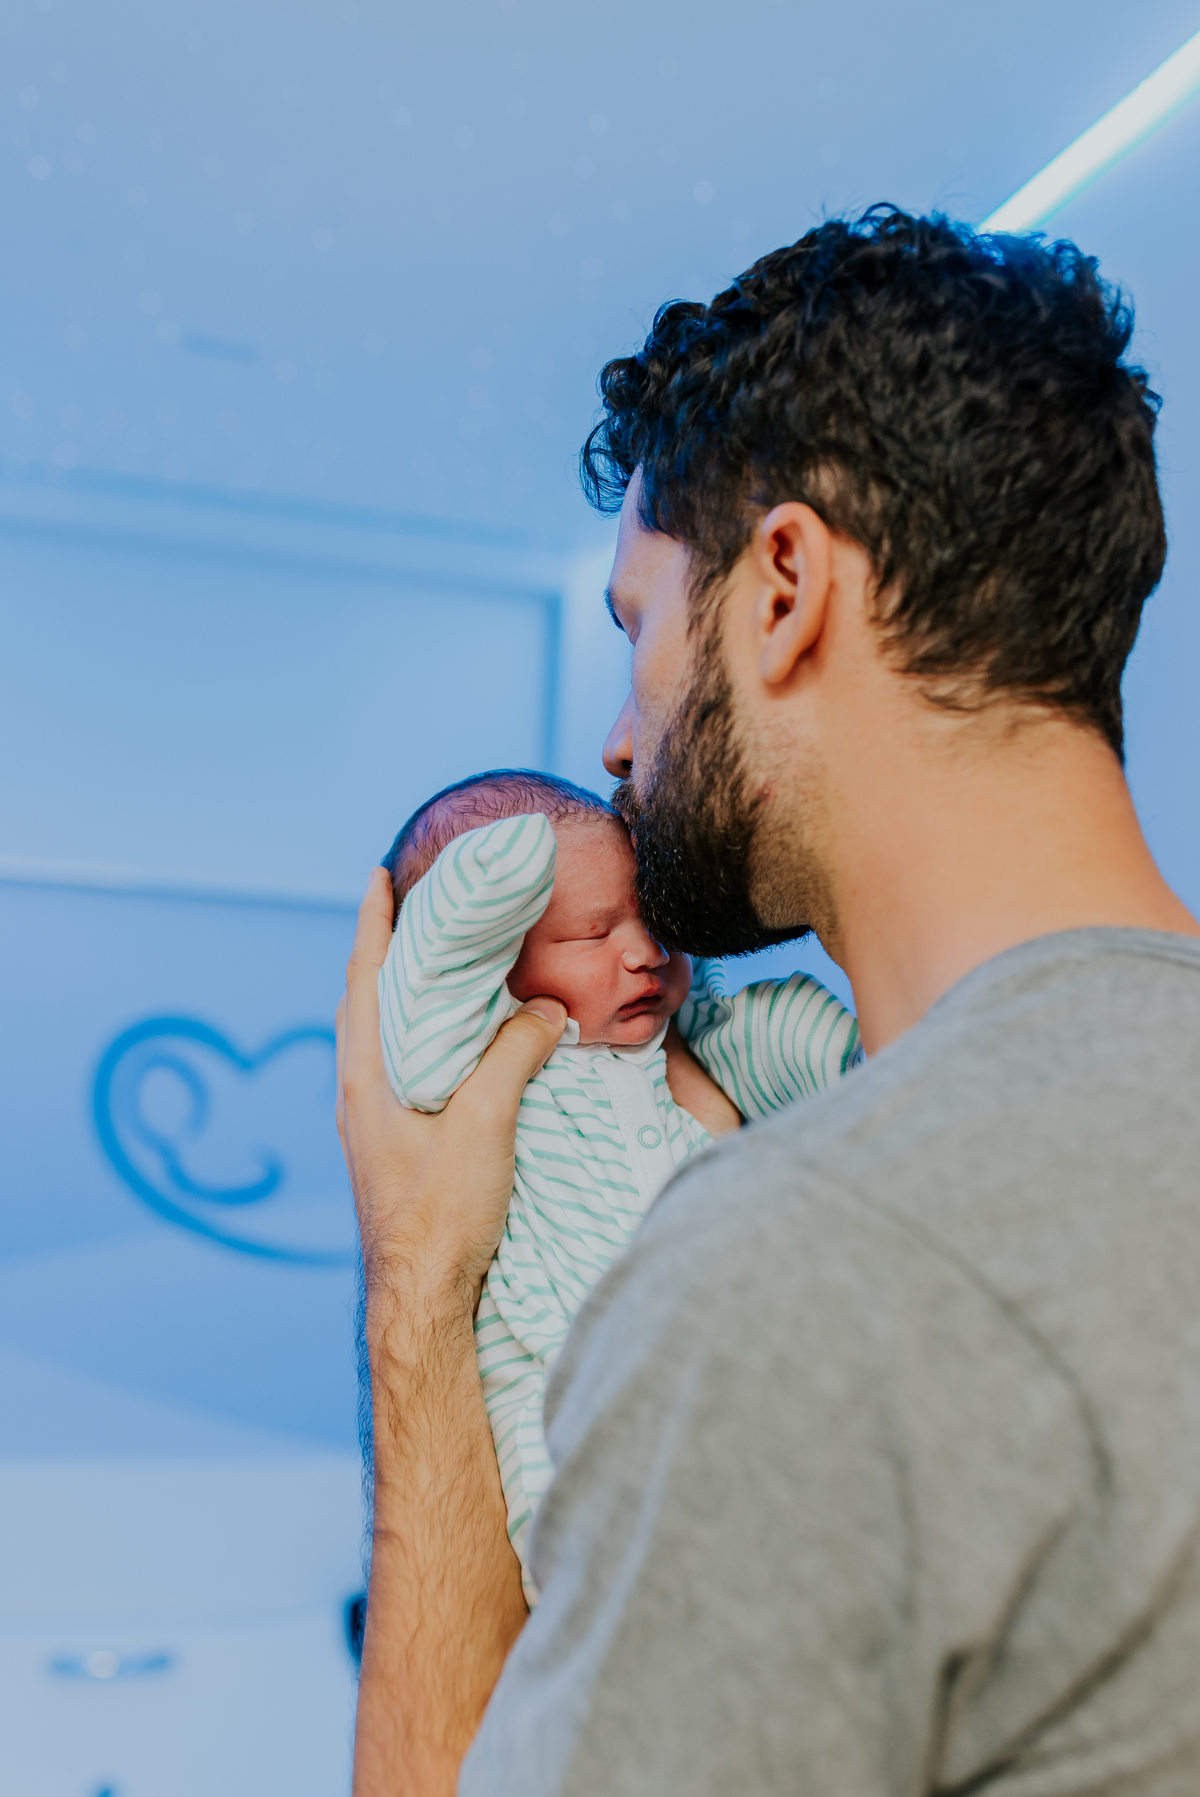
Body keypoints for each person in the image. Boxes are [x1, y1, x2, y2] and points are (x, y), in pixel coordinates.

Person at [338, 209, 1200, 1796]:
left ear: (784, 586)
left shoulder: (798, 1263)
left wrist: (417, 1288)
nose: (613, 738)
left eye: (638, 628)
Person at [375, 770, 859, 1595]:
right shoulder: (478, 1056)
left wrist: (842, 1054)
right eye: (590, 933)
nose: (643, 951)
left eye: (652, 921)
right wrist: (511, 854)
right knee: (587, 1538)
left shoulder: (689, 1038)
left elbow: (800, 1060)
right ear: (496, 954)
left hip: (721, 1358)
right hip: (558, 1366)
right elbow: (426, 996)